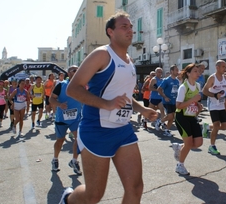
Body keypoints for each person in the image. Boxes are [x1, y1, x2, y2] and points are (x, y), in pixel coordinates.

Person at [63, 11, 157, 204]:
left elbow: (124, 96)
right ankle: (68, 199)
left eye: (131, 26)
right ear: (110, 32)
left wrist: (142, 110)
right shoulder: (102, 55)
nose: (130, 30)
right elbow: (73, 89)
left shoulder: (130, 62)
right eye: (124, 26)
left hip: (123, 130)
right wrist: (106, 104)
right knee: (94, 195)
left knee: (135, 187)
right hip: (97, 130)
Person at [49, 66, 82, 175]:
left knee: (79, 139)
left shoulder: (81, 86)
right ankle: (55, 159)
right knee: (60, 140)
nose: (76, 72)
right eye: (74, 70)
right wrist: (59, 104)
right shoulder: (61, 85)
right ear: (68, 73)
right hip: (62, 118)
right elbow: (51, 99)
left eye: (78, 70)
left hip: (76, 118)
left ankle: (74, 161)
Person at [171, 63, 203, 175]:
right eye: (195, 71)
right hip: (181, 117)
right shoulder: (183, 87)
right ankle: (180, 165)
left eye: (198, 71)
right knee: (189, 143)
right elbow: (178, 105)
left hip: (192, 116)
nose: (198, 73)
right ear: (188, 74)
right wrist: (193, 99)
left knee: (199, 142)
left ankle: (180, 147)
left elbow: (194, 101)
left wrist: (198, 105)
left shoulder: (198, 86)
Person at [202, 60, 226, 155]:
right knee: (216, 126)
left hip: (221, 105)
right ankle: (212, 146)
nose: (225, 69)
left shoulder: (224, 78)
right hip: (213, 105)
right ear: (217, 67)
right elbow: (204, 91)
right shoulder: (212, 78)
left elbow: (222, 92)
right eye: (223, 66)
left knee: (224, 126)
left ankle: (207, 126)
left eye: (225, 66)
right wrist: (214, 95)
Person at [157, 65, 179, 137]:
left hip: (174, 101)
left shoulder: (177, 81)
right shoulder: (166, 80)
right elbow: (159, 89)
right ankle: (161, 122)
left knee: (172, 117)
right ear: (171, 71)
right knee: (170, 116)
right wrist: (165, 97)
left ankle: (165, 128)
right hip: (167, 101)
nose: (177, 71)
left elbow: (177, 91)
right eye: (176, 70)